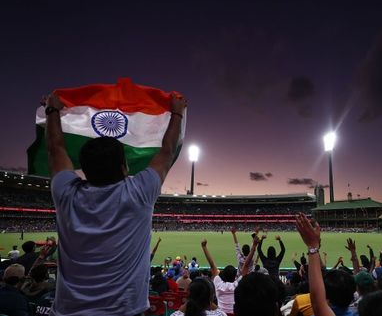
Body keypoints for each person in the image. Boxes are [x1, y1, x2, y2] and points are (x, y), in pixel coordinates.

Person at [43, 92, 187, 315]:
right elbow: (167, 151)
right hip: (124, 311)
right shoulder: (139, 192)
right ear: (124, 168)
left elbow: (55, 149)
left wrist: (52, 110)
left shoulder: (66, 193)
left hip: (68, 311)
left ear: (84, 170)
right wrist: (176, 112)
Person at [201, 236, 257, 316]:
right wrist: (254, 246)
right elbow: (246, 265)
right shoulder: (238, 284)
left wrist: (204, 247)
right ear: (235, 277)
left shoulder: (218, 283)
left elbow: (212, 265)